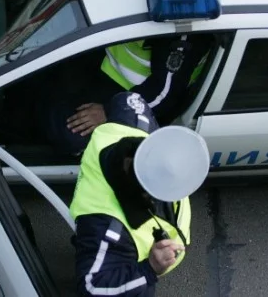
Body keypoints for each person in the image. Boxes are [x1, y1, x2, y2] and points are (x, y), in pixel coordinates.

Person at [69, 91, 210, 297]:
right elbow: (92, 287)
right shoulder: (107, 228)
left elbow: (127, 98)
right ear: (147, 193)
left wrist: (103, 111)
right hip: (127, 256)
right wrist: (149, 270)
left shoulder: (129, 125)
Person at [38, 34, 214, 156]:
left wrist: (109, 112)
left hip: (133, 97)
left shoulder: (182, 31)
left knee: (69, 132)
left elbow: (163, 94)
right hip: (104, 66)